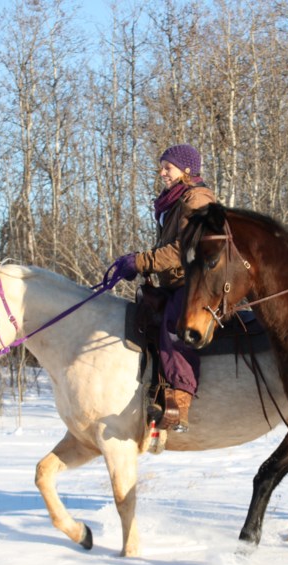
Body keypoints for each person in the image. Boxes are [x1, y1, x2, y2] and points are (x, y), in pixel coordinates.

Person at [103, 144, 217, 430]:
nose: (162, 172)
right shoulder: (175, 201)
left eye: (168, 167)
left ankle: (180, 400)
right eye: (162, 166)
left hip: (196, 282)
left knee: (174, 324)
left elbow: (185, 249)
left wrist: (142, 262)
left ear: (187, 170)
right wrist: (142, 266)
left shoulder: (198, 198)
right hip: (176, 280)